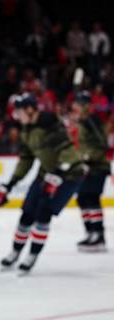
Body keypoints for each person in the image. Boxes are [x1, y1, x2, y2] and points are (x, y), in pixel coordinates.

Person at [0, 93, 84, 272]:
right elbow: (26, 159)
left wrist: (58, 174)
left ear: (30, 109)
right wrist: (10, 184)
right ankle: (15, 252)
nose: (16, 116)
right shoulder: (25, 130)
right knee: (27, 213)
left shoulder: (50, 123)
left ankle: (32, 254)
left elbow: (67, 152)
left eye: (19, 112)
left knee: (44, 213)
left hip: (69, 175)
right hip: (46, 173)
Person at [70, 91, 110, 252]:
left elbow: (102, 143)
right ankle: (90, 232)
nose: (76, 107)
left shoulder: (92, 120)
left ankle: (98, 235)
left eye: (79, 104)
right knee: (82, 198)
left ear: (86, 106)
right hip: (87, 166)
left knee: (91, 197)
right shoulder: (83, 121)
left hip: (98, 166)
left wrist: (88, 157)